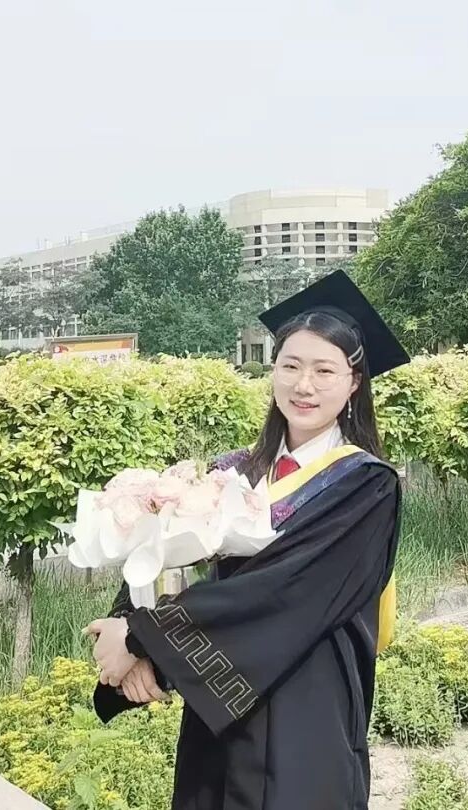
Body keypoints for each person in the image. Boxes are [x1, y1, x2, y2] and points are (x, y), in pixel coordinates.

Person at [83, 269, 409, 810]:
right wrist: (127, 622)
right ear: (273, 371)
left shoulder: (365, 485)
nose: (304, 386)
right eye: (291, 366)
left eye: (324, 370)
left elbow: (281, 592)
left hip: (308, 704)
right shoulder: (234, 472)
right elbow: (165, 551)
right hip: (222, 709)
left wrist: (144, 643)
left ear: (354, 383)